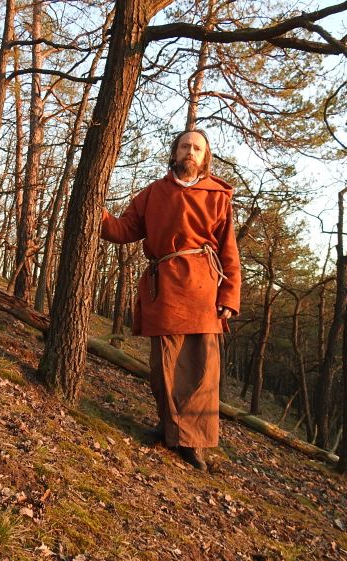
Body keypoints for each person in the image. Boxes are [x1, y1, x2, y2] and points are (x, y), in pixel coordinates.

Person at [100, 130, 241, 471]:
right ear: (175, 152)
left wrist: (229, 295)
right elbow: (123, 230)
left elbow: (229, 250)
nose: (190, 151)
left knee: (200, 372)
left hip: (204, 288)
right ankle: (169, 428)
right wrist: (97, 210)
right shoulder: (154, 193)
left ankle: (193, 443)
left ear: (205, 157)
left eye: (197, 148)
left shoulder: (218, 196)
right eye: (184, 146)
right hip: (164, 288)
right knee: (162, 367)